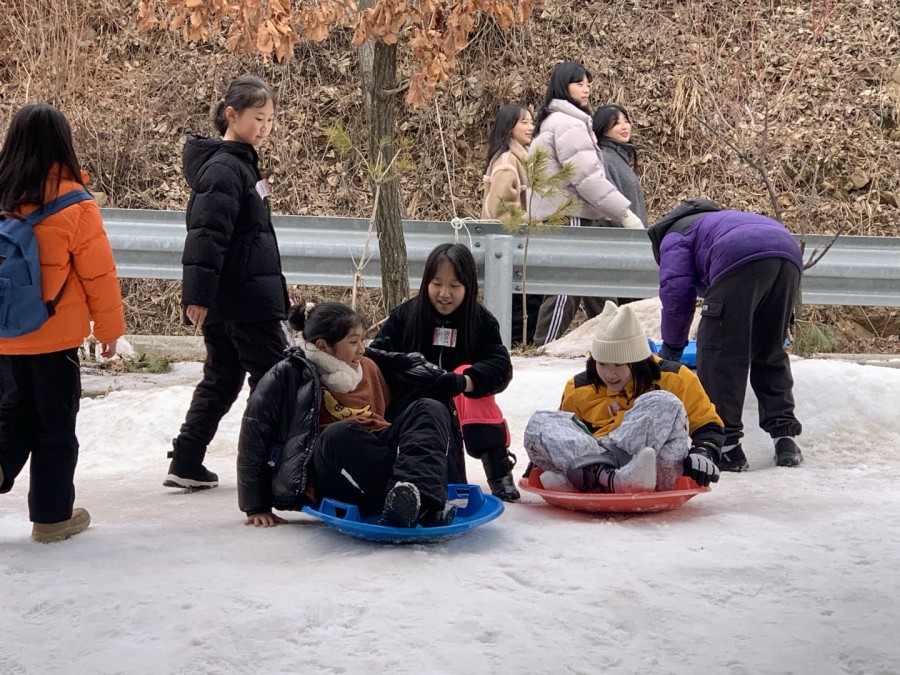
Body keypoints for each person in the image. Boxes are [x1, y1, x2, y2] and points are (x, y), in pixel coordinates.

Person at [0, 103, 125, 542]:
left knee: (10, 418)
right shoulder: (74, 203)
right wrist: (108, 332)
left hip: (3, 338)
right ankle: (52, 519)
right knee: (55, 428)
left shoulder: (2, 197)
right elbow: (99, 275)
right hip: (54, 342)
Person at [165, 74, 290, 489]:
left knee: (222, 379)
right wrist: (197, 297)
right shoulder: (224, 168)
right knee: (275, 380)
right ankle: (269, 466)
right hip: (242, 301)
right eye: (259, 118)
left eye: (271, 119)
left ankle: (186, 460)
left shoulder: (240, 163)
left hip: (238, 296)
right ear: (232, 115)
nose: (266, 127)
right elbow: (206, 235)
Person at [238, 302, 454, 528]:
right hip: (332, 468)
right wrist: (256, 505)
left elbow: (414, 431)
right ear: (323, 346)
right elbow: (255, 433)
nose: (361, 349)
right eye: (353, 342)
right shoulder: (289, 374)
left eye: (362, 340)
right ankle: (404, 500)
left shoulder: (369, 366)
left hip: (377, 456)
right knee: (339, 433)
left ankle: (419, 499)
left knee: (429, 407)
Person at [649, 199, 805, 471]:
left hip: (738, 256)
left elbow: (677, 293)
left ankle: (727, 447)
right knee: (769, 350)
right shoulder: (719, 221)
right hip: (786, 252)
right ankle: (785, 441)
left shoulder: (674, 236)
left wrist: (673, 347)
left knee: (720, 354)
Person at [369, 243, 520, 501]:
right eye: (437, 284)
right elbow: (376, 356)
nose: (444, 294)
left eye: (455, 286)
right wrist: (410, 370)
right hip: (411, 407)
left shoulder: (480, 320)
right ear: (426, 281)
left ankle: (499, 471)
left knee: (473, 380)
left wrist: (463, 381)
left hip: (458, 404)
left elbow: (500, 366)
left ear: (468, 287)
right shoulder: (405, 316)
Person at [523, 301, 722, 493]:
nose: (609, 374)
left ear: (638, 362)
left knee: (664, 401)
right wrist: (538, 462)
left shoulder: (676, 379)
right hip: (596, 463)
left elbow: (707, 425)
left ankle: (591, 478)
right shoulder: (579, 387)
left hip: (655, 468)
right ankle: (607, 478)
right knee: (540, 422)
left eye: (619, 365)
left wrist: (704, 451)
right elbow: (566, 434)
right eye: (602, 364)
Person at [527, 61, 645, 347]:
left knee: (594, 284)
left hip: (559, 211)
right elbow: (588, 177)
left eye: (588, 82)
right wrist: (624, 213)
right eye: (578, 82)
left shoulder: (553, 121)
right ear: (562, 87)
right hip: (571, 212)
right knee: (568, 284)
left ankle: (614, 342)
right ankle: (544, 346)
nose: (586, 87)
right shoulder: (569, 123)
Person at [480, 103, 542, 345]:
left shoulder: (519, 158)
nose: (530, 127)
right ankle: (513, 351)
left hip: (514, 247)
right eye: (523, 122)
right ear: (509, 127)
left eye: (531, 121)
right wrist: (529, 221)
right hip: (510, 248)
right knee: (521, 308)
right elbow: (501, 207)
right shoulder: (508, 161)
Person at [592, 104, 647, 229]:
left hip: (631, 238)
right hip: (618, 240)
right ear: (603, 128)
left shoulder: (619, 157)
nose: (624, 127)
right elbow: (606, 202)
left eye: (626, 121)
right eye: (616, 123)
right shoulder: (605, 159)